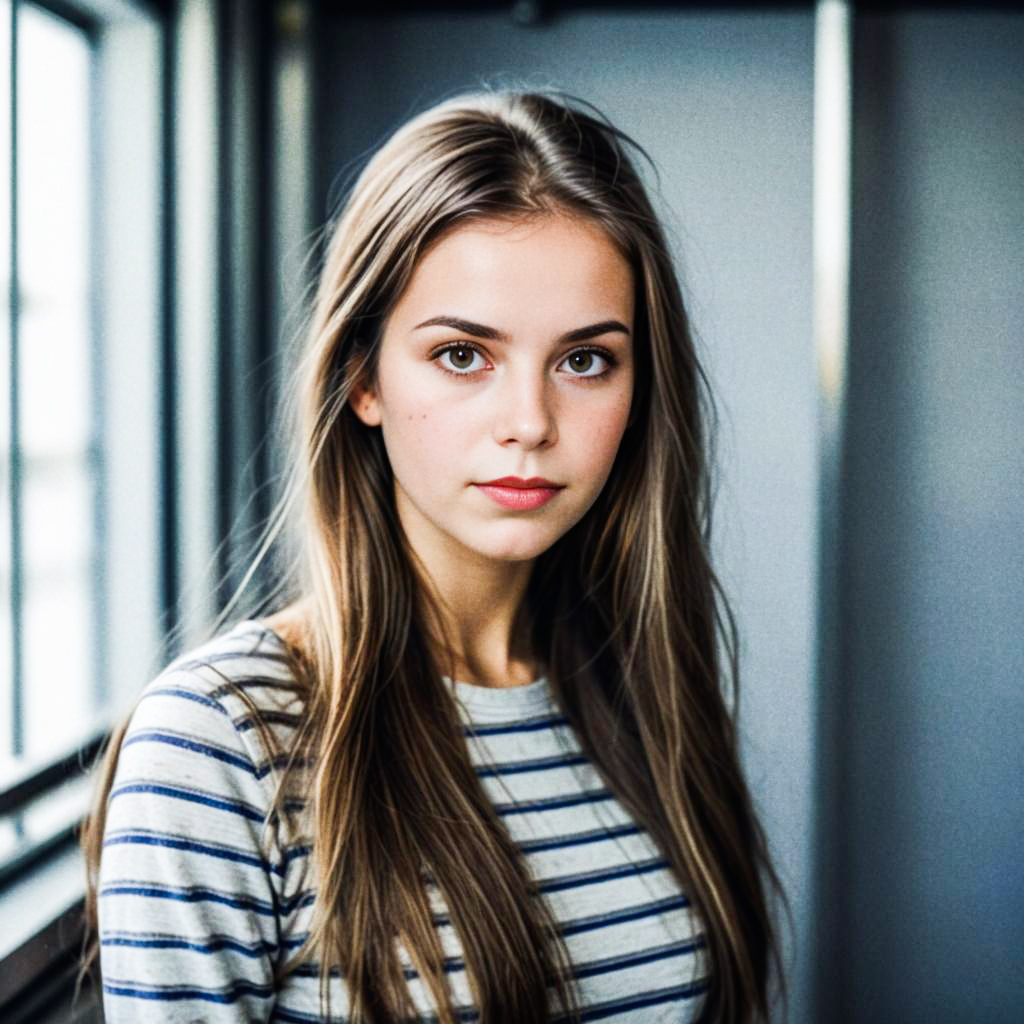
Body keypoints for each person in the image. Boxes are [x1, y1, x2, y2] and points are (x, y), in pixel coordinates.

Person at [82, 89, 784, 1023]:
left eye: (584, 361)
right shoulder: (222, 743)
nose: (530, 424)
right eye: (463, 355)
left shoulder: (642, 689)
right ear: (362, 377)